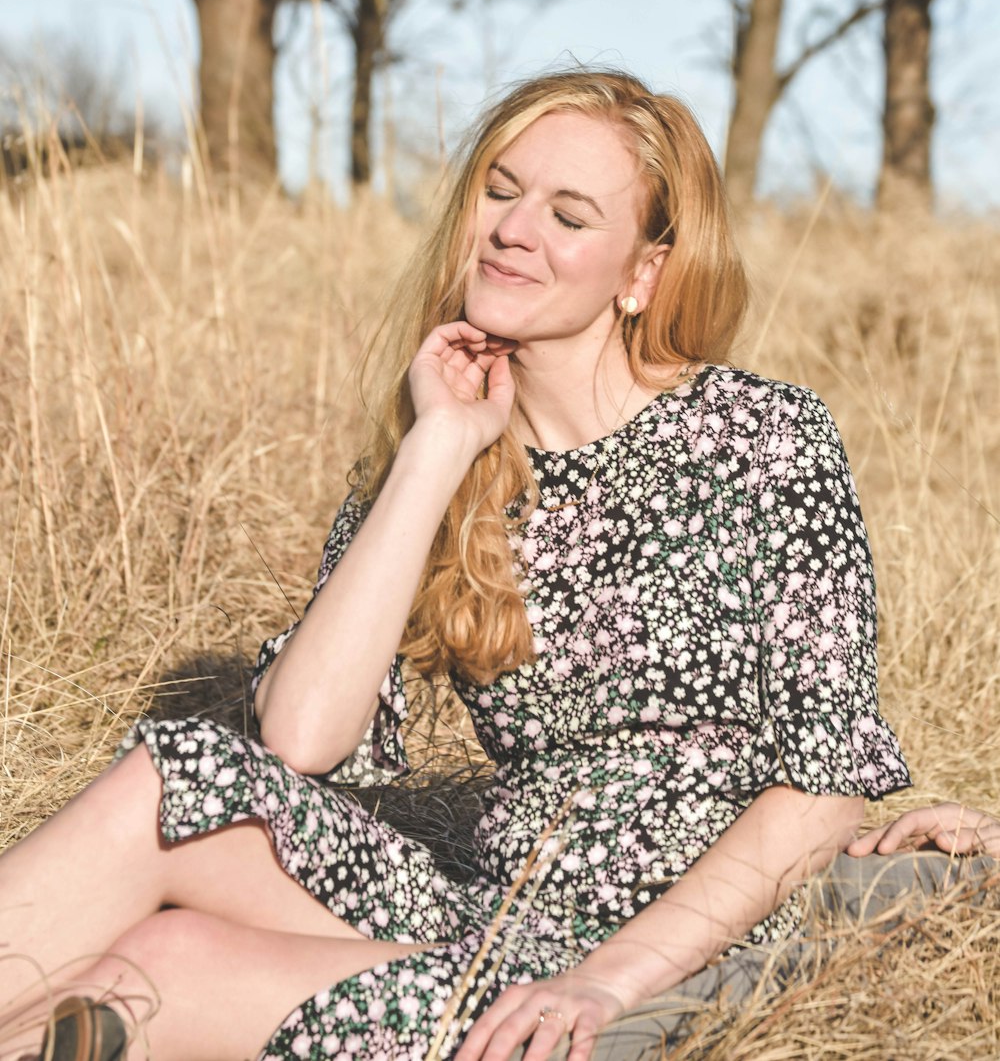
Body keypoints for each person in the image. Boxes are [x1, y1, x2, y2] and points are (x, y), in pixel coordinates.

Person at [0, 70, 996, 1061]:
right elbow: (302, 738)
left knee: (167, 969)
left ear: (642, 274)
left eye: (568, 214)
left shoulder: (761, 438)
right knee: (176, 774)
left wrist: (606, 980)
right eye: (500, 189)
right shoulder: (447, 447)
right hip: (497, 912)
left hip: (680, 949)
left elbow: (823, 785)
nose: (513, 229)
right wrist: (437, 449)